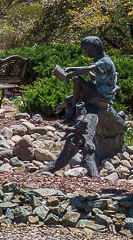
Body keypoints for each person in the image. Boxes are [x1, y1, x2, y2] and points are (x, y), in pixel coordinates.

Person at [49, 36, 125, 178]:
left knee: (78, 80)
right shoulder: (102, 60)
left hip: (103, 96)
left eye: (86, 50)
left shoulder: (104, 61)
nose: (85, 53)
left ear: (93, 48)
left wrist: (72, 73)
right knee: (71, 95)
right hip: (101, 92)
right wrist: (73, 69)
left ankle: (72, 109)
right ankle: (72, 105)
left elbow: (89, 69)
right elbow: (93, 72)